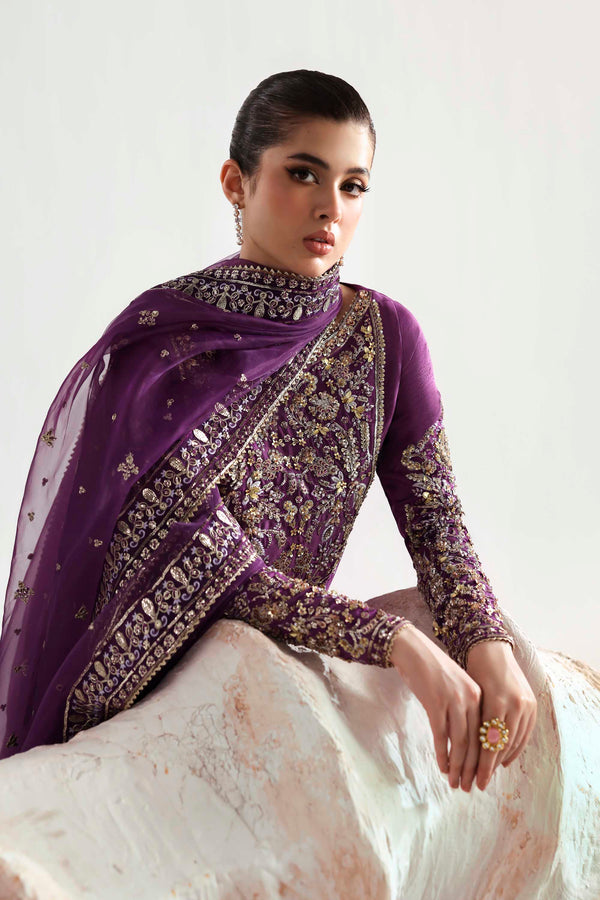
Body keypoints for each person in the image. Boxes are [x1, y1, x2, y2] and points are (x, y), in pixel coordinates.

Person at [0, 69, 536, 794]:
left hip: (273, 680)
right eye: (303, 173)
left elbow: (437, 523)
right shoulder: (163, 346)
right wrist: (394, 639)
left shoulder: (385, 338)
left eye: (353, 185)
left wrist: (485, 640)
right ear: (236, 182)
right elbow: (219, 570)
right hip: (132, 699)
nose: (330, 207)